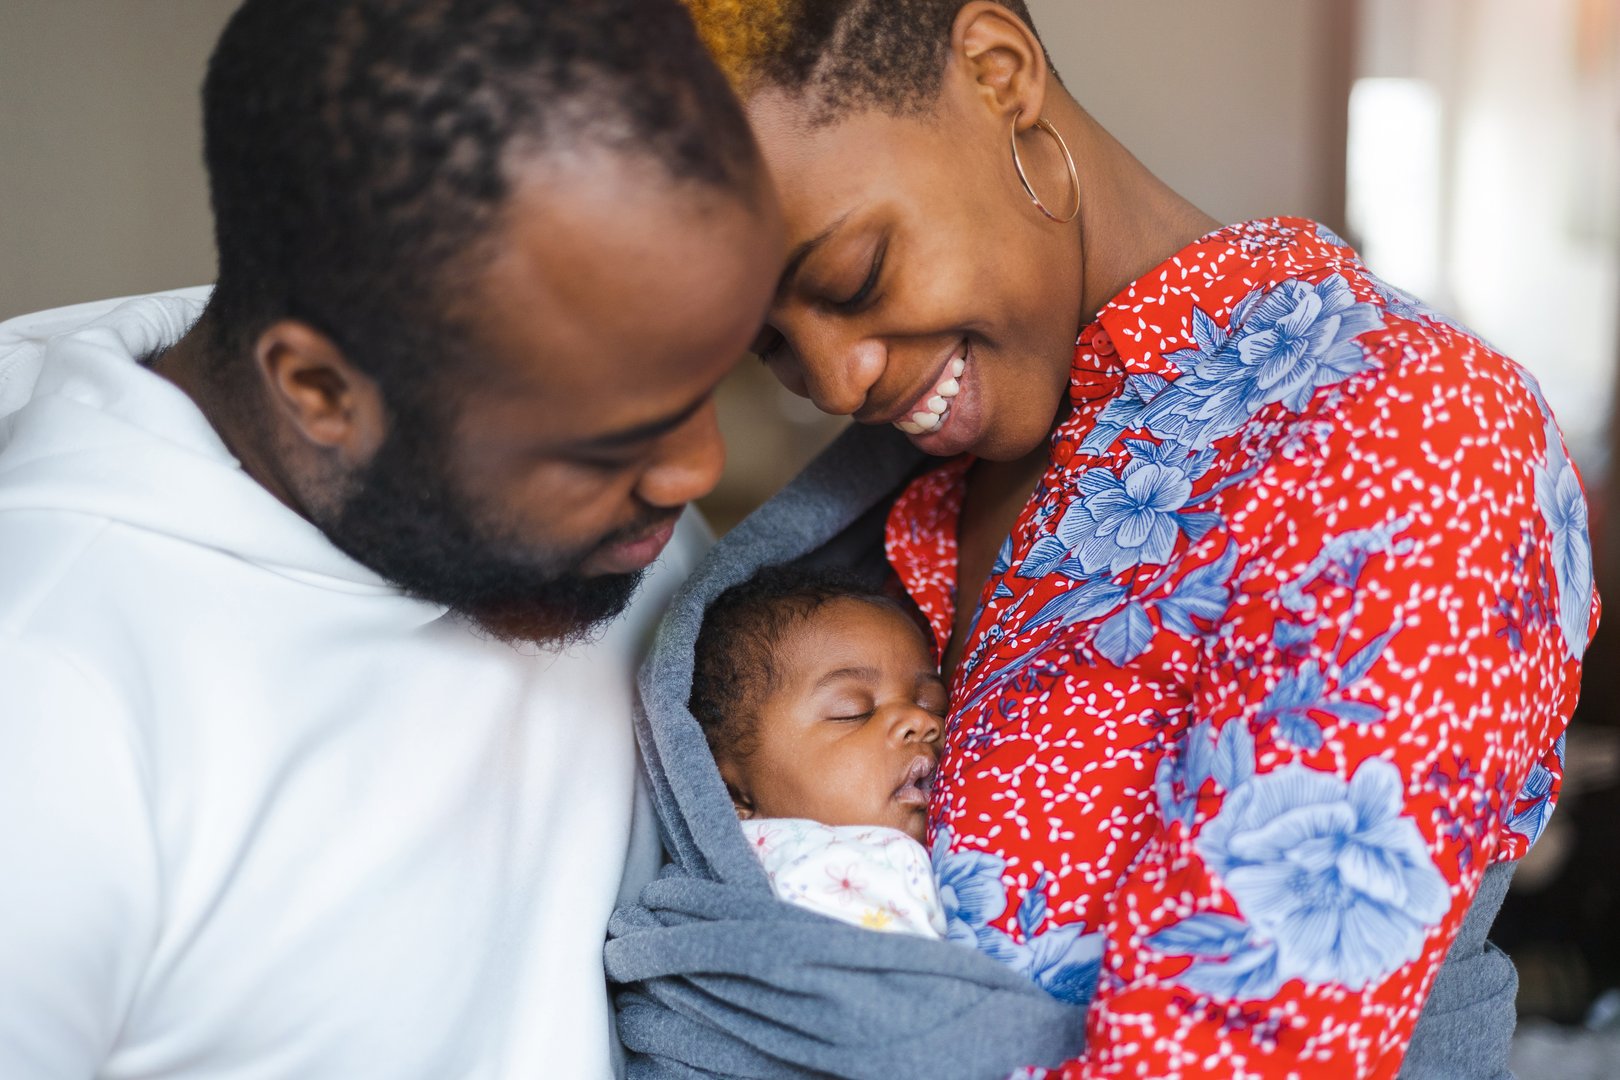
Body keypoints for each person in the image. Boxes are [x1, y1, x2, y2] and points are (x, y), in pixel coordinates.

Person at [672, 1, 1598, 1076]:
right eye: (772, 349)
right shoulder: (945, 480)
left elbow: (1250, 1049)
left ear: (996, 72)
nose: (836, 384)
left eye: (854, 278)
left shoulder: (1412, 429)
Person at [0, 0, 783, 1075]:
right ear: (321, 391)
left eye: (712, 381)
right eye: (615, 442)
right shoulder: (46, 701)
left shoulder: (587, 462)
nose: (696, 472)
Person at [690, 567, 948, 938]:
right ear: (731, 792)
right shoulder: (819, 867)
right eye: (853, 712)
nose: (921, 720)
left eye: (934, 703)